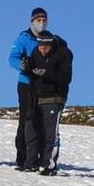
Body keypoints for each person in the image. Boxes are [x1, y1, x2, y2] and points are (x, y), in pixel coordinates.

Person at [23, 31, 73, 174]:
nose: (42, 50)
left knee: (51, 132)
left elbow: (66, 78)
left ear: (51, 44)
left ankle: (49, 165)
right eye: (40, 47)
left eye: (45, 47)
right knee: (31, 130)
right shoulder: (35, 51)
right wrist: (26, 67)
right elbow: (31, 70)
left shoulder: (64, 53)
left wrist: (45, 73)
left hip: (54, 97)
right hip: (36, 97)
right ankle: (31, 163)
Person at [9, 7, 48, 169]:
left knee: (41, 120)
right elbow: (12, 58)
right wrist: (22, 65)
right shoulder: (23, 38)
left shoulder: (48, 39)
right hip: (26, 83)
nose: (42, 23)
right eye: (38, 20)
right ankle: (22, 155)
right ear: (32, 21)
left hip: (43, 84)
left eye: (44, 20)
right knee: (26, 119)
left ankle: (37, 155)